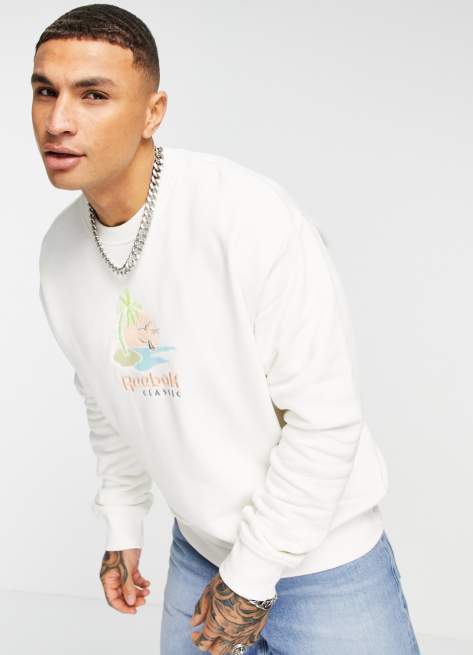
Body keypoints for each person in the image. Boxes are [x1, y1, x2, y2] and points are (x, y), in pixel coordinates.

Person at [33, 4, 421, 655]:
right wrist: (124, 520)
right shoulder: (59, 254)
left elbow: (324, 421)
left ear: (153, 111)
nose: (58, 120)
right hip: (200, 552)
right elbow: (106, 393)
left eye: (93, 95)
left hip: (326, 567)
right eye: (45, 91)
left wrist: (251, 577)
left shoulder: (247, 218)